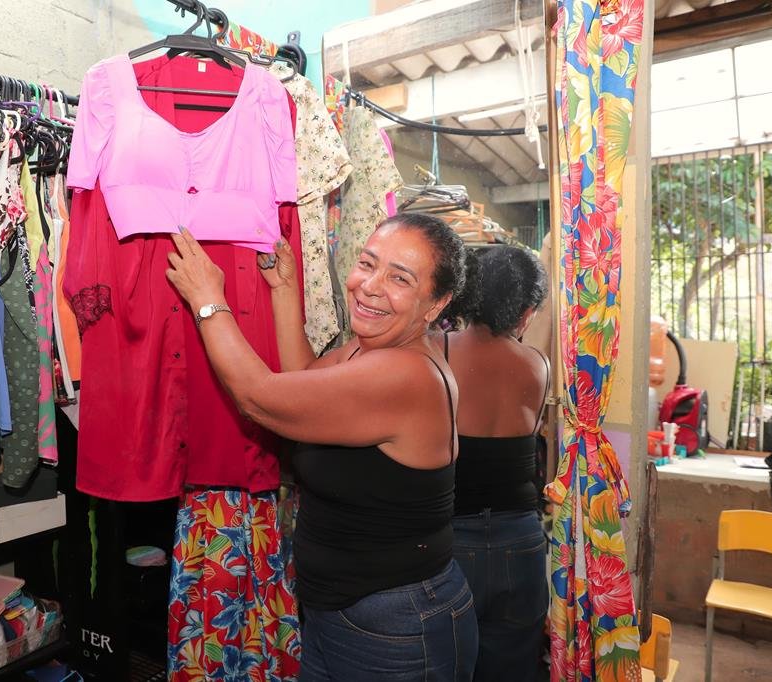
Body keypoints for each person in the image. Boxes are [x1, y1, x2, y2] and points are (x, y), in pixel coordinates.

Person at [165, 213, 478, 681]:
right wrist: (284, 289)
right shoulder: (365, 350)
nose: (370, 285)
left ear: (436, 304)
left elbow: (261, 398)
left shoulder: (406, 373)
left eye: (399, 278)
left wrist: (209, 301)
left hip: (398, 627)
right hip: (341, 615)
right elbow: (304, 382)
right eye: (367, 264)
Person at [439, 245, 551, 682]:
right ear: (525, 312)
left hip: (453, 536)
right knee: (513, 668)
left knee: (450, 665)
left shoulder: (436, 352)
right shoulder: (537, 365)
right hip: (521, 538)